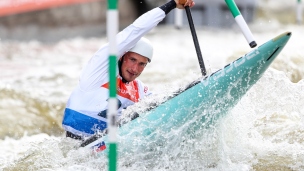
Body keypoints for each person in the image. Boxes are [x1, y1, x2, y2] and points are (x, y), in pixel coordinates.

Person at [62, 0, 195, 140]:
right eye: (132, 60)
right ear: (121, 56)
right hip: (74, 144)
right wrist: (172, 4)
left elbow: (163, 109)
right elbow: (135, 30)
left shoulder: (139, 90)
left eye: (142, 64)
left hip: (106, 143)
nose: (135, 69)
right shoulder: (100, 69)